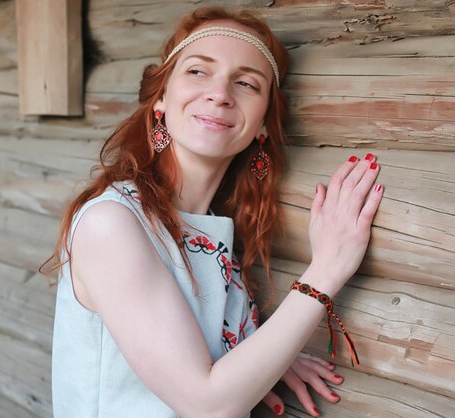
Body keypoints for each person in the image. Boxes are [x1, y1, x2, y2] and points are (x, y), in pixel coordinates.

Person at [44, 6, 383, 418]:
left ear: (262, 125)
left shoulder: (214, 236)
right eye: (198, 72)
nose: (220, 93)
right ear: (161, 100)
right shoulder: (111, 222)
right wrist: (327, 269)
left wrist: (259, 357)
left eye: (245, 82)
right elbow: (207, 404)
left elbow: (191, 354)